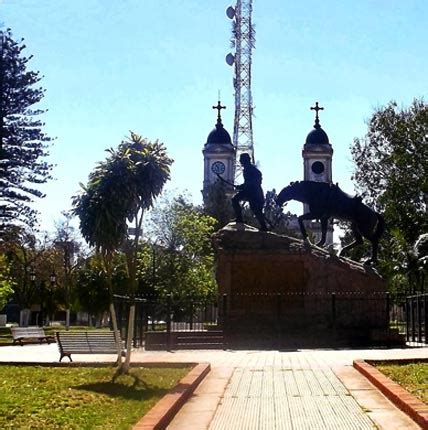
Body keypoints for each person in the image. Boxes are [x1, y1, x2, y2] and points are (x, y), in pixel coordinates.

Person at [232, 153, 268, 231]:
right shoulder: (247, 169)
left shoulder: (253, 170)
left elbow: (255, 182)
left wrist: (243, 187)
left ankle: (264, 226)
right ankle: (239, 219)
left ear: (246, 161)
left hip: (255, 193)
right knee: (235, 199)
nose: (241, 162)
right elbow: (247, 183)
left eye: (242, 161)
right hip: (249, 191)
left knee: (256, 210)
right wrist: (242, 186)